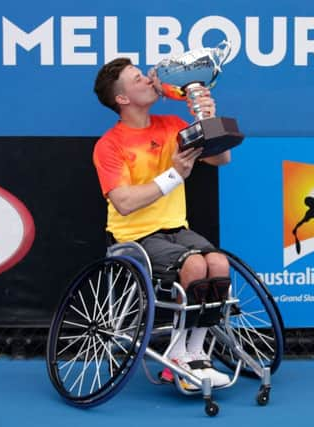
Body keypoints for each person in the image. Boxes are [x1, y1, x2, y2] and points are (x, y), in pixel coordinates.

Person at [92, 57, 232, 389]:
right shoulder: (109, 145)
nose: (148, 79)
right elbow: (123, 203)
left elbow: (221, 158)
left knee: (219, 263)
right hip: (134, 237)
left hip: (177, 231)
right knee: (196, 265)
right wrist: (173, 176)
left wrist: (205, 117)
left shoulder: (171, 124)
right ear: (122, 99)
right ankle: (179, 355)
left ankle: (194, 352)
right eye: (137, 78)